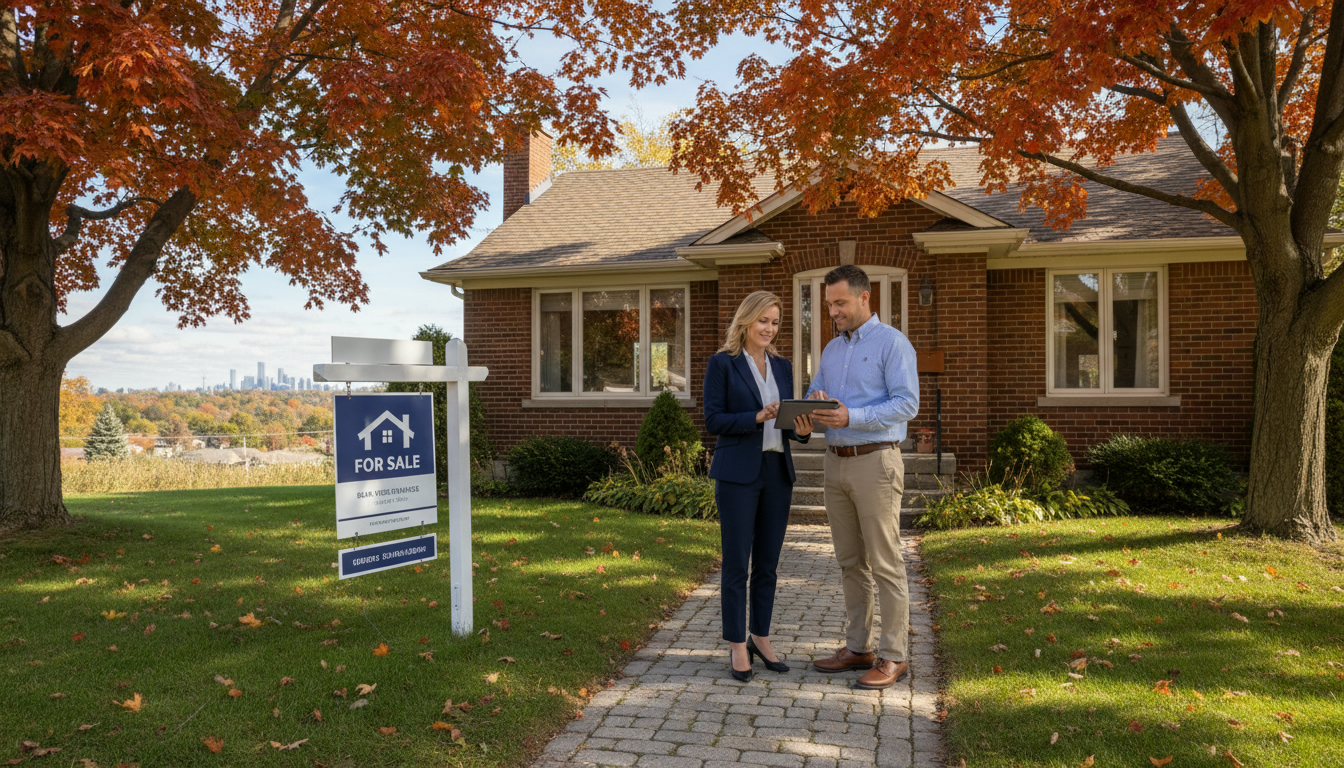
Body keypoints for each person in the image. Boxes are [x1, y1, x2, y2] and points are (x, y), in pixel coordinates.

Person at [806, 264, 919, 689]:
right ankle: (858, 648)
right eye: (829, 304)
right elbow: (817, 396)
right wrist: (808, 413)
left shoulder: (893, 344)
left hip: (876, 462)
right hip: (835, 462)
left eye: (840, 303)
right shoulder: (832, 350)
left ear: (864, 297)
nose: (833, 311)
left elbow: (907, 405)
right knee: (850, 561)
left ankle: (894, 655)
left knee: (886, 563)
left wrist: (853, 415)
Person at [703, 291, 815, 682]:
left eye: (775, 322)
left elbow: (787, 425)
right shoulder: (722, 364)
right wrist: (754, 416)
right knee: (737, 564)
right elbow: (713, 420)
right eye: (763, 321)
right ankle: (736, 644)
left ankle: (760, 637)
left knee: (767, 565)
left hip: (776, 471)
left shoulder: (783, 367)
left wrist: (801, 430)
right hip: (737, 474)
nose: (769, 328)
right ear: (746, 322)